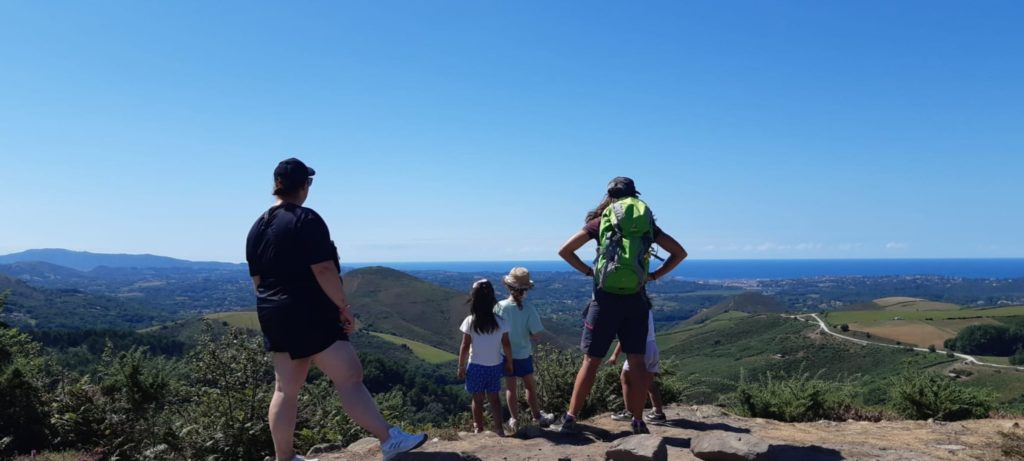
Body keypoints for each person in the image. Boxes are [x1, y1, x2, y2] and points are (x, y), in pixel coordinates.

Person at [245, 158, 427, 461]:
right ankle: (388, 439)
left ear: (276, 185)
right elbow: (324, 269)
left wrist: (276, 309)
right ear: (305, 185)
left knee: (285, 390)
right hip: (310, 310)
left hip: (272, 312)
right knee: (350, 376)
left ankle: (285, 458)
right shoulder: (306, 219)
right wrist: (344, 307)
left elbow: (257, 280)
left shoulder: (257, 227)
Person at [556, 177, 687, 435]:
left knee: (591, 361)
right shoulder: (646, 224)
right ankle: (638, 421)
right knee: (637, 362)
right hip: (636, 300)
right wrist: (653, 276)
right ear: (634, 195)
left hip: (604, 299)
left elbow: (565, 250)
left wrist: (589, 272)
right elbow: (679, 253)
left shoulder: (601, 221)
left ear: (610, 196)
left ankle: (571, 417)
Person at [494, 267, 555, 431]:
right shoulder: (529, 309)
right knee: (529, 386)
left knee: (511, 388)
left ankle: (514, 419)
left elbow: (495, 330)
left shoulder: (499, 307)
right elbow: (537, 335)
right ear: (526, 289)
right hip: (523, 354)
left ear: (508, 287)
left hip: (504, 354)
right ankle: (537, 416)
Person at [457, 279, 513, 436]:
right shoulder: (500, 322)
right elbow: (507, 344)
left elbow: (465, 346)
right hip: (495, 365)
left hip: (475, 366)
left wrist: (461, 366)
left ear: (474, 299)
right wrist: (510, 362)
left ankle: (478, 428)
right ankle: (499, 429)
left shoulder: (470, 321)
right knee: (495, 399)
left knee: (477, 399)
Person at [607, 310, 665, 423]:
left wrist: (615, 355)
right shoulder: (645, 307)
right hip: (652, 346)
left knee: (626, 378)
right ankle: (658, 413)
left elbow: (625, 336)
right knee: (648, 382)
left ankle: (630, 412)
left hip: (640, 349)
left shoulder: (631, 309)